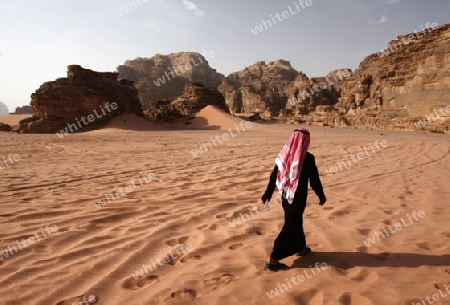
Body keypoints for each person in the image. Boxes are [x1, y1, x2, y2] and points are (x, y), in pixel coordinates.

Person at [261, 128, 326, 271]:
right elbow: (314, 180)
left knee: (295, 221)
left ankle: (300, 248)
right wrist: (321, 195)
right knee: (291, 225)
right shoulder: (307, 158)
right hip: (297, 198)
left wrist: (268, 194)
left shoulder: (285, 155)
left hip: (285, 196)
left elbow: (274, 176)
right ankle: (273, 259)